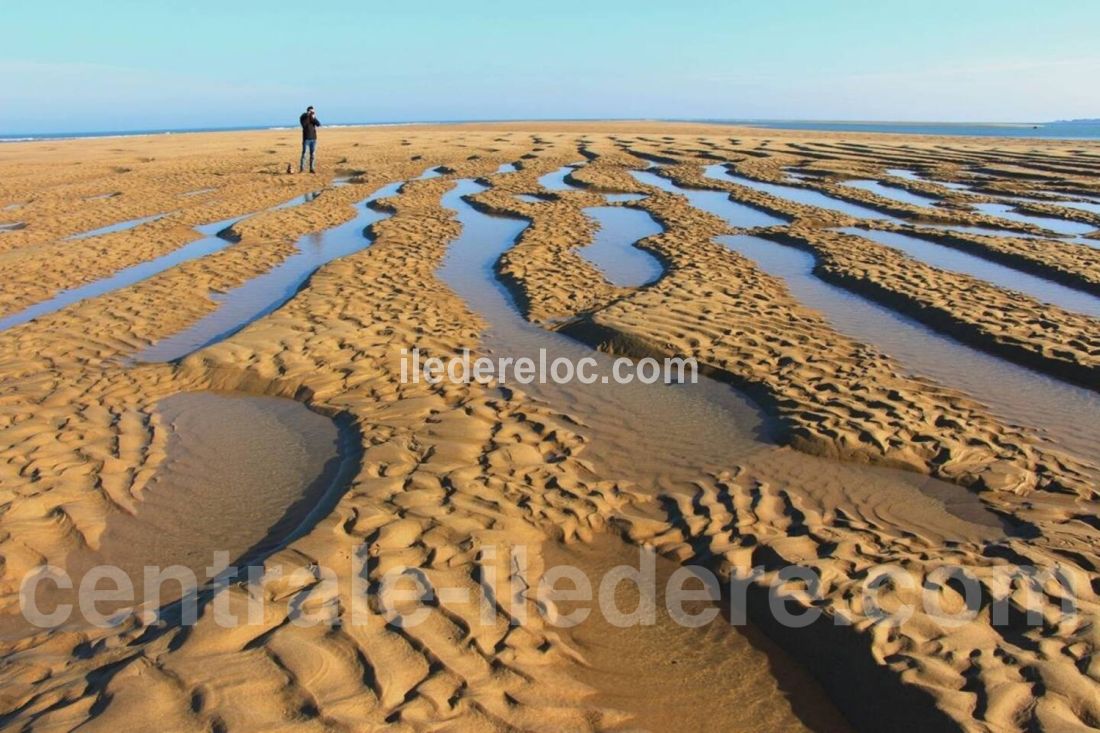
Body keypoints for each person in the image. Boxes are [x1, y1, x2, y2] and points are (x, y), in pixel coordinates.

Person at [299, 106, 321, 173]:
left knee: (313, 154)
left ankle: (312, 168)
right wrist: (307, 115)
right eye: (311, 111)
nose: (312, 113)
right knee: (304, 154)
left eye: (313, 111)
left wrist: (314, 117)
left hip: (313, 139)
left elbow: (318, 124)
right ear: (308, 111)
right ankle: (302, 169)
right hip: (306, 139)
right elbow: (304, 125)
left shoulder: (312, 118)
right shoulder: (303, 117)